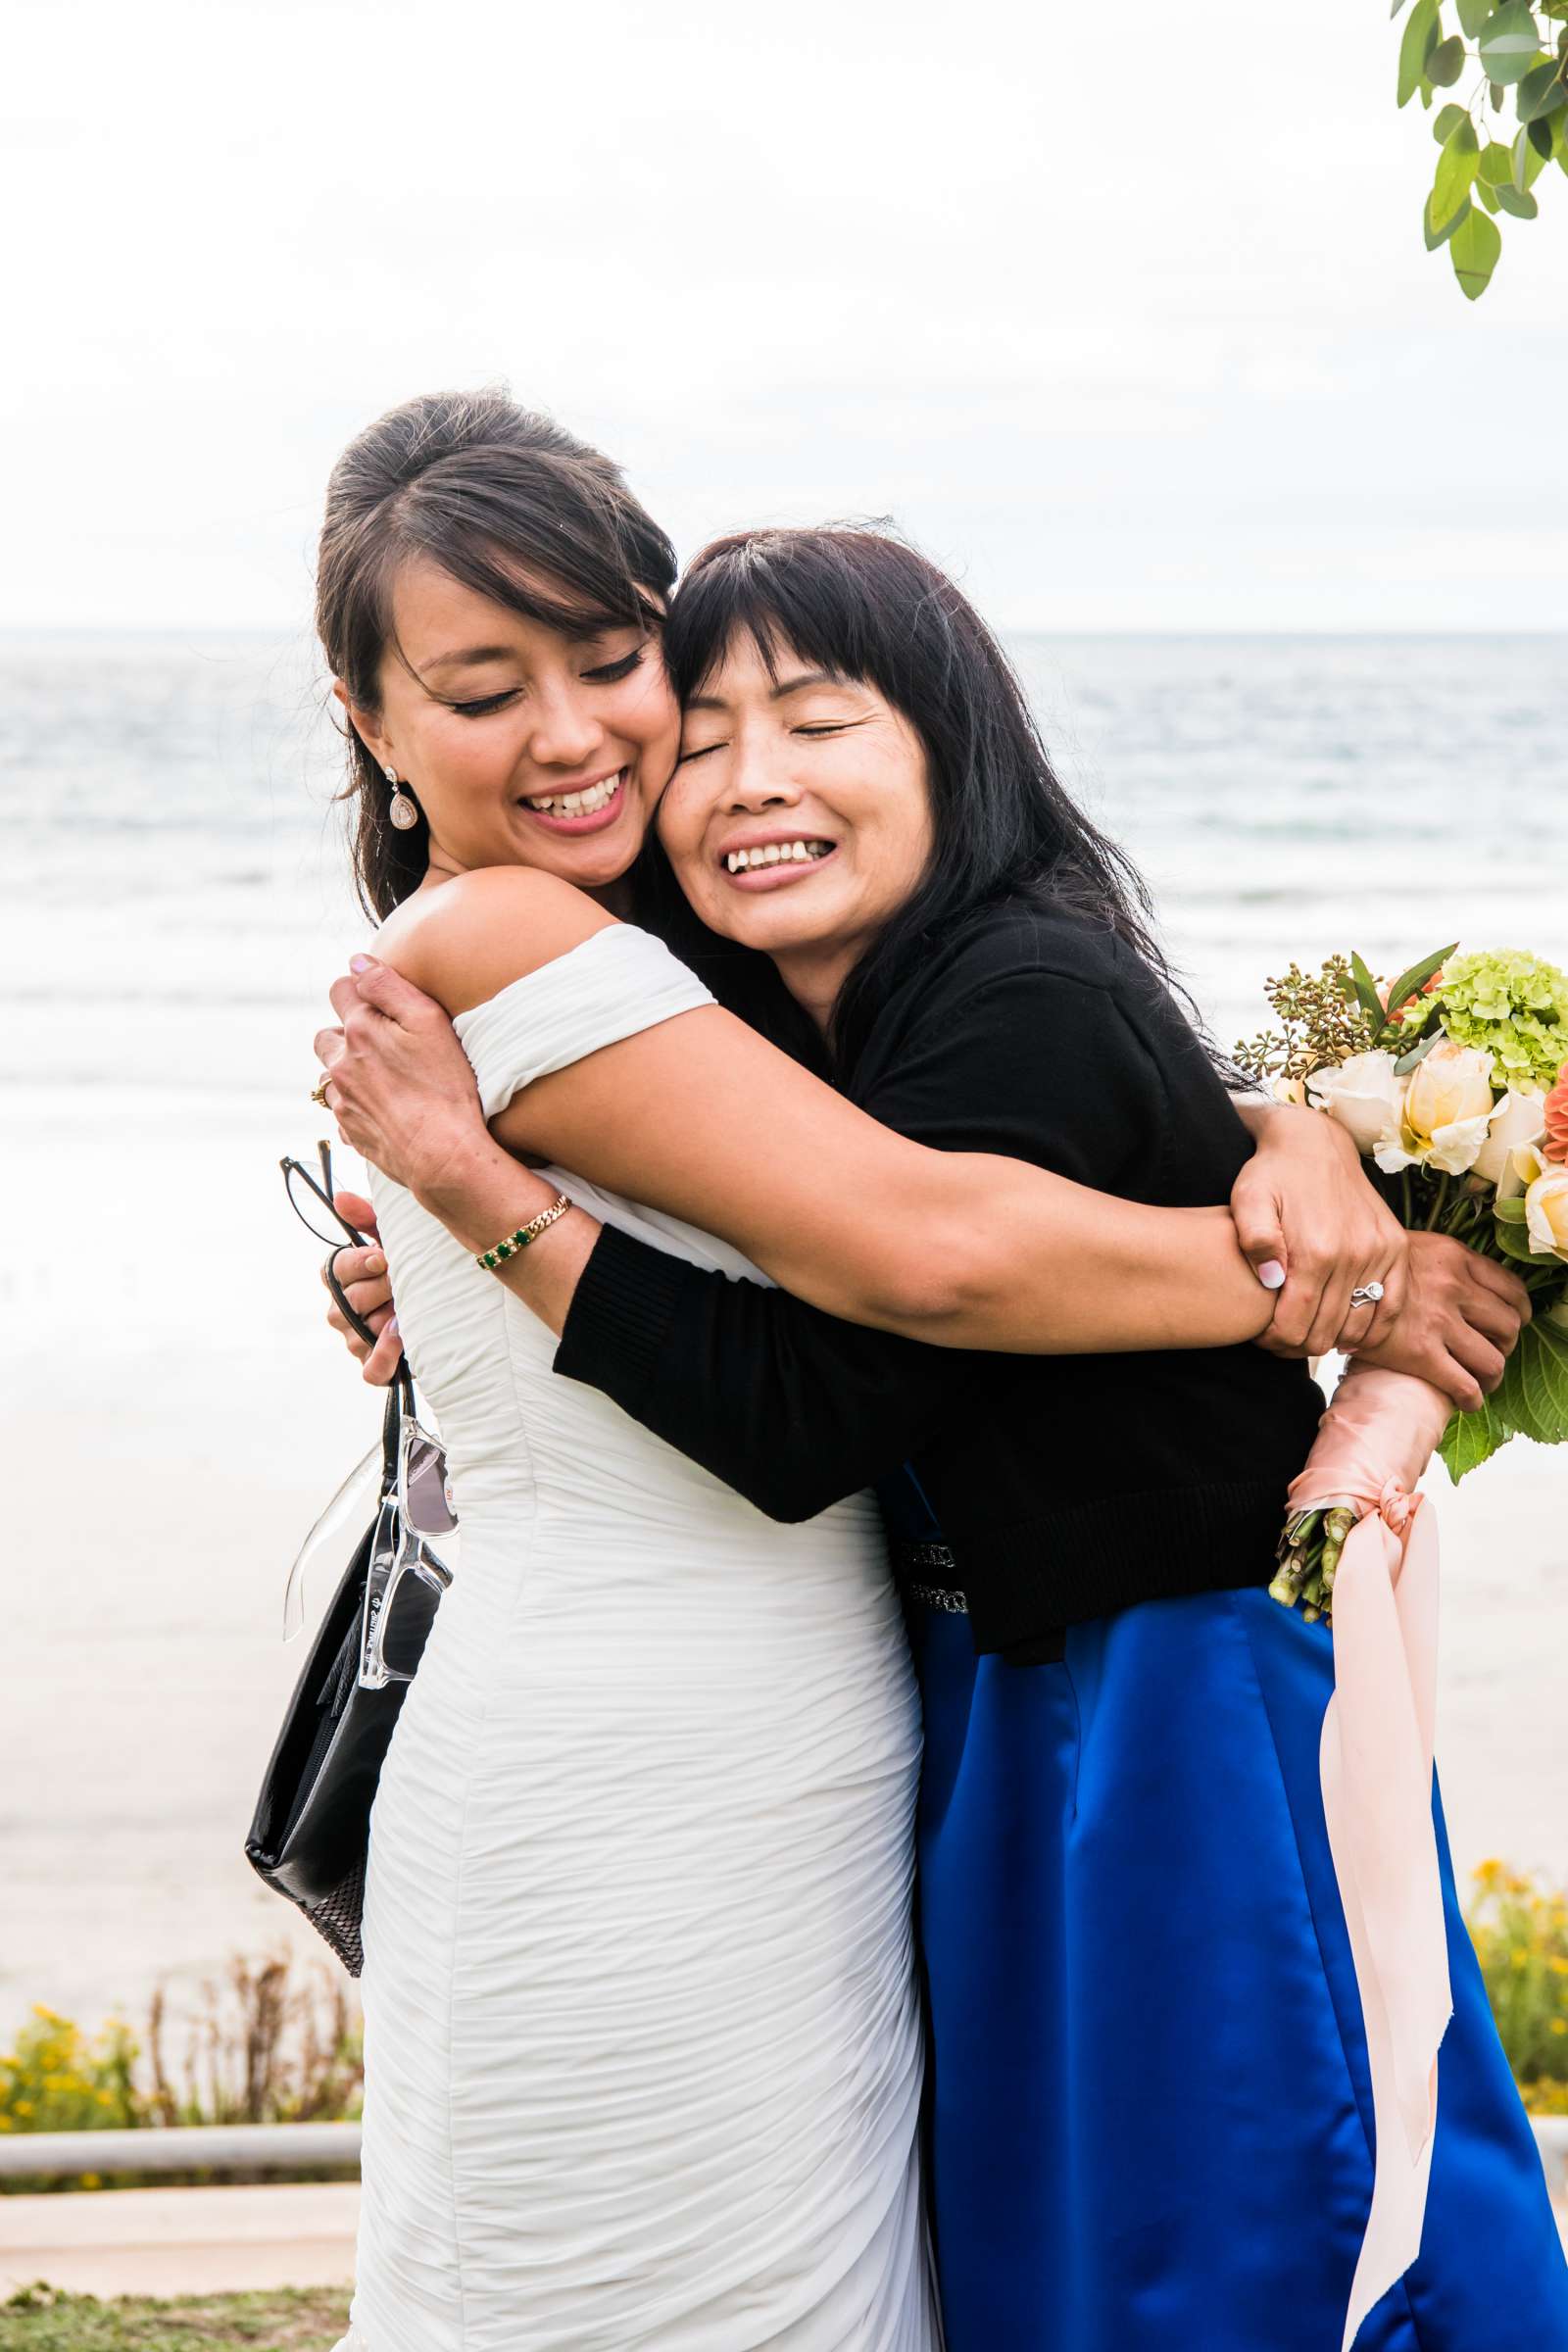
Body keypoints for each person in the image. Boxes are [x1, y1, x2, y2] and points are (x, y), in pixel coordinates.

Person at [316, 512, 1563, 2350]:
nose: (748, 778)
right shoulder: (821, 1017)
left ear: (951, 749)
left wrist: (476, 1192)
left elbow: (844, 1362)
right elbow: (878, 1220)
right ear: (375, 719)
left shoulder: (1010, 987)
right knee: (1087, 2237)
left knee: (1260, 2219)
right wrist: (1291, 1149)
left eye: (823, 723)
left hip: (1169, 1681)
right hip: (1013, 1690)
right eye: (714, 733)